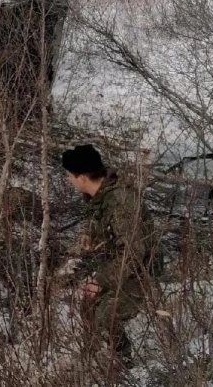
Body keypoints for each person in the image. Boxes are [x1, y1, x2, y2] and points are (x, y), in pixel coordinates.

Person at [62, 144, 157, 371]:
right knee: (89, 302)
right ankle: (93, 355)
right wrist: (90, 234)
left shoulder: (120, 201)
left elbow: (134, 252)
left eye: (69, 176)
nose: (68, 181)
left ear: (82, 177)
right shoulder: (101, 194)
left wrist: (101, 281)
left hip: (141, 269)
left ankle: (125, 365)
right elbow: (99, 219)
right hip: (121, 263)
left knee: (106, 314)